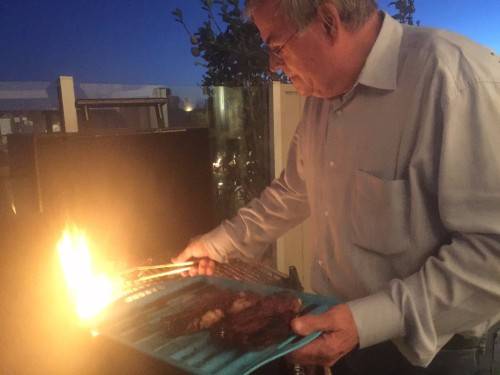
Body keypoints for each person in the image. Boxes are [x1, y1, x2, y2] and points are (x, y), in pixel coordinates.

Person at [173, 0, 500, 374]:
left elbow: (494, 253)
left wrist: (366, 321)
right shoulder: (322, 96)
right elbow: (292, 192)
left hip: (440, 354)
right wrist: (216, 245)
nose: (272, 65)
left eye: (277, 46)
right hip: (338, 330)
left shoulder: (456, 80)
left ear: (328, 20)